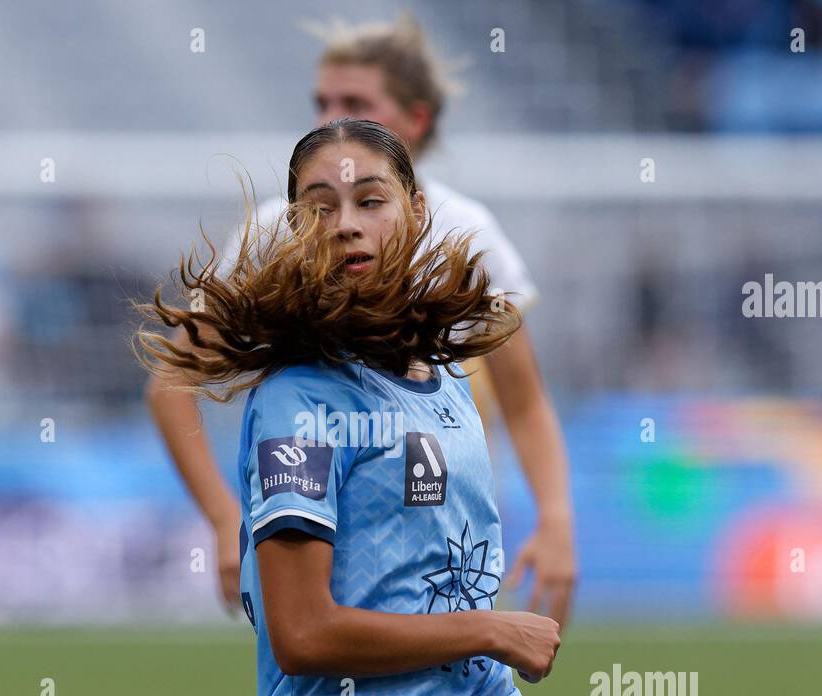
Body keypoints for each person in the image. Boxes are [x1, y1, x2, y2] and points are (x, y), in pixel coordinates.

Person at [136, 118, 627, 696]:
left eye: (371, 200)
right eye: (318, 210)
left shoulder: (454, 376)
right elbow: (303, 637)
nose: (346, 227)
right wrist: (491, 630)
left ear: (417, 212)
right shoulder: (298, 406)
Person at [146, 12, 579, 631]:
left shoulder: (469, 234)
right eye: (321, 101)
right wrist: (222, 516)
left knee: (457, 686)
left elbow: (526, 401)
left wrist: (556, 521)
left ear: (417, 120)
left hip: (444, 531)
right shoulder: (277, 229)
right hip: (320, 531)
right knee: (326, 659)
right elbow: (171, 382)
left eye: (354, 102)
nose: (329, 117)